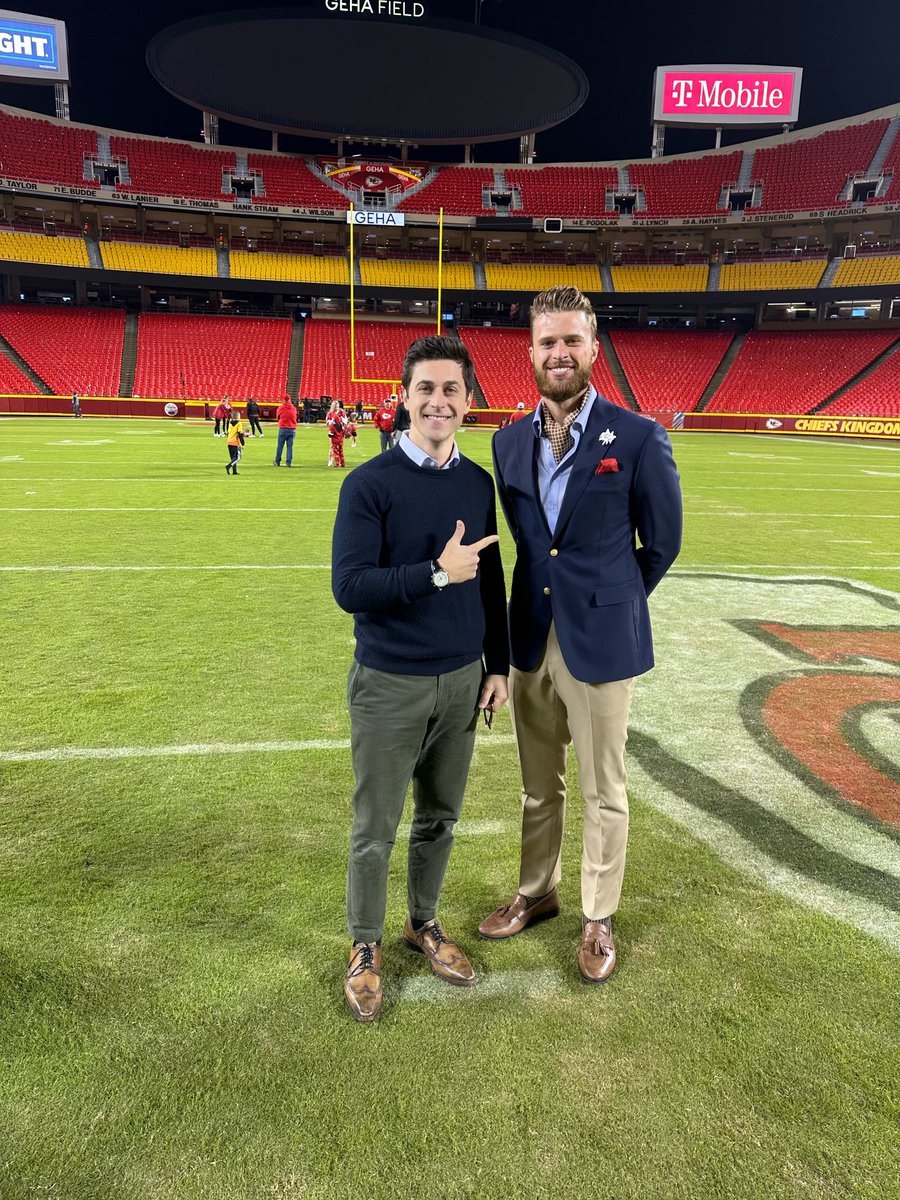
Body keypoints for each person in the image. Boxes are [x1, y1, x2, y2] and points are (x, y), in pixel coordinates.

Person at [479, 285, 683, 985]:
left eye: (572, 340)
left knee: (604, 789)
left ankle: (598, 913)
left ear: (594, 348)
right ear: (530, 353)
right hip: (530, 634)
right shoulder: (506, 443)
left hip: (599, 641)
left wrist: (611, 603)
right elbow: (523, 546)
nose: (559, 353)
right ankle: (538, 892)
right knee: (540, 787)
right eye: (547, 342)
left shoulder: (637, 436)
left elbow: (662, 544)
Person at [332, 335, 510, 1023]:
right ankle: (366, 945)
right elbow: (350, 586)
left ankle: (423, 923)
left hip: (464, 679)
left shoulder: (476, 483)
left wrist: (499, 664)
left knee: (440, 818)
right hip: (390, 682)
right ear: (404, 398)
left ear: (468, 402)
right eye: (426, 390)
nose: (439, 402)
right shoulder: (369, 483)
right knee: (375, 826)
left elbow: (490, 578)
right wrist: (435, 573)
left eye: (451, 391)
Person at [274, 394, 297, 467]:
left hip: (283, 428)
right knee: (290, 447)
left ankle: (277, 461)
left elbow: (277, 417)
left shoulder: (281, 407)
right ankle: (288, 462)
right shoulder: (293, 408)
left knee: (280, 446)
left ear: (284, 400)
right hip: (292, 428)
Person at [326, 399, 348, 468]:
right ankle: (330, 460)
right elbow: (327, 421)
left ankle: (339, 463)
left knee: (339, 448)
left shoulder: (342, 412)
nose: (337, 407)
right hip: (332, 432)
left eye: (337, 406)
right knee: (332, 447)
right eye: (335, 406)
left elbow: (346, 421)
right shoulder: (330, 413)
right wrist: (331, 422)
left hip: (340, 432)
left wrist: (341, 421)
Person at [224, 409, 245, 475]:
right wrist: (243, 443)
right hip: (235, 442)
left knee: (233, 458)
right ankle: (228, 466)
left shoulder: (230, 423)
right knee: (238, 457)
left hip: (229, 442)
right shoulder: (239, 423)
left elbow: (229, 432)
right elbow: (240, 434)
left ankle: (234, 471)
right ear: (238, 417)